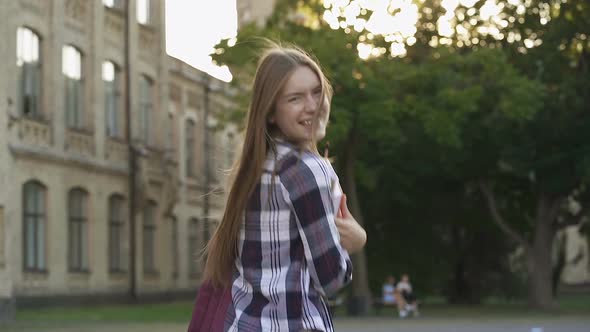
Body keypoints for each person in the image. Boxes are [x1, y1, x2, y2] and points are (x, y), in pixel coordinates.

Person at [201, 44, 367, 332]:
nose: (313, 106)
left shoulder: (253, 168)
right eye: (295, 98)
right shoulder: (306, 171)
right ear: (271, 113)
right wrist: (355, 241)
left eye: (317, 92)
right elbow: (331, 280)